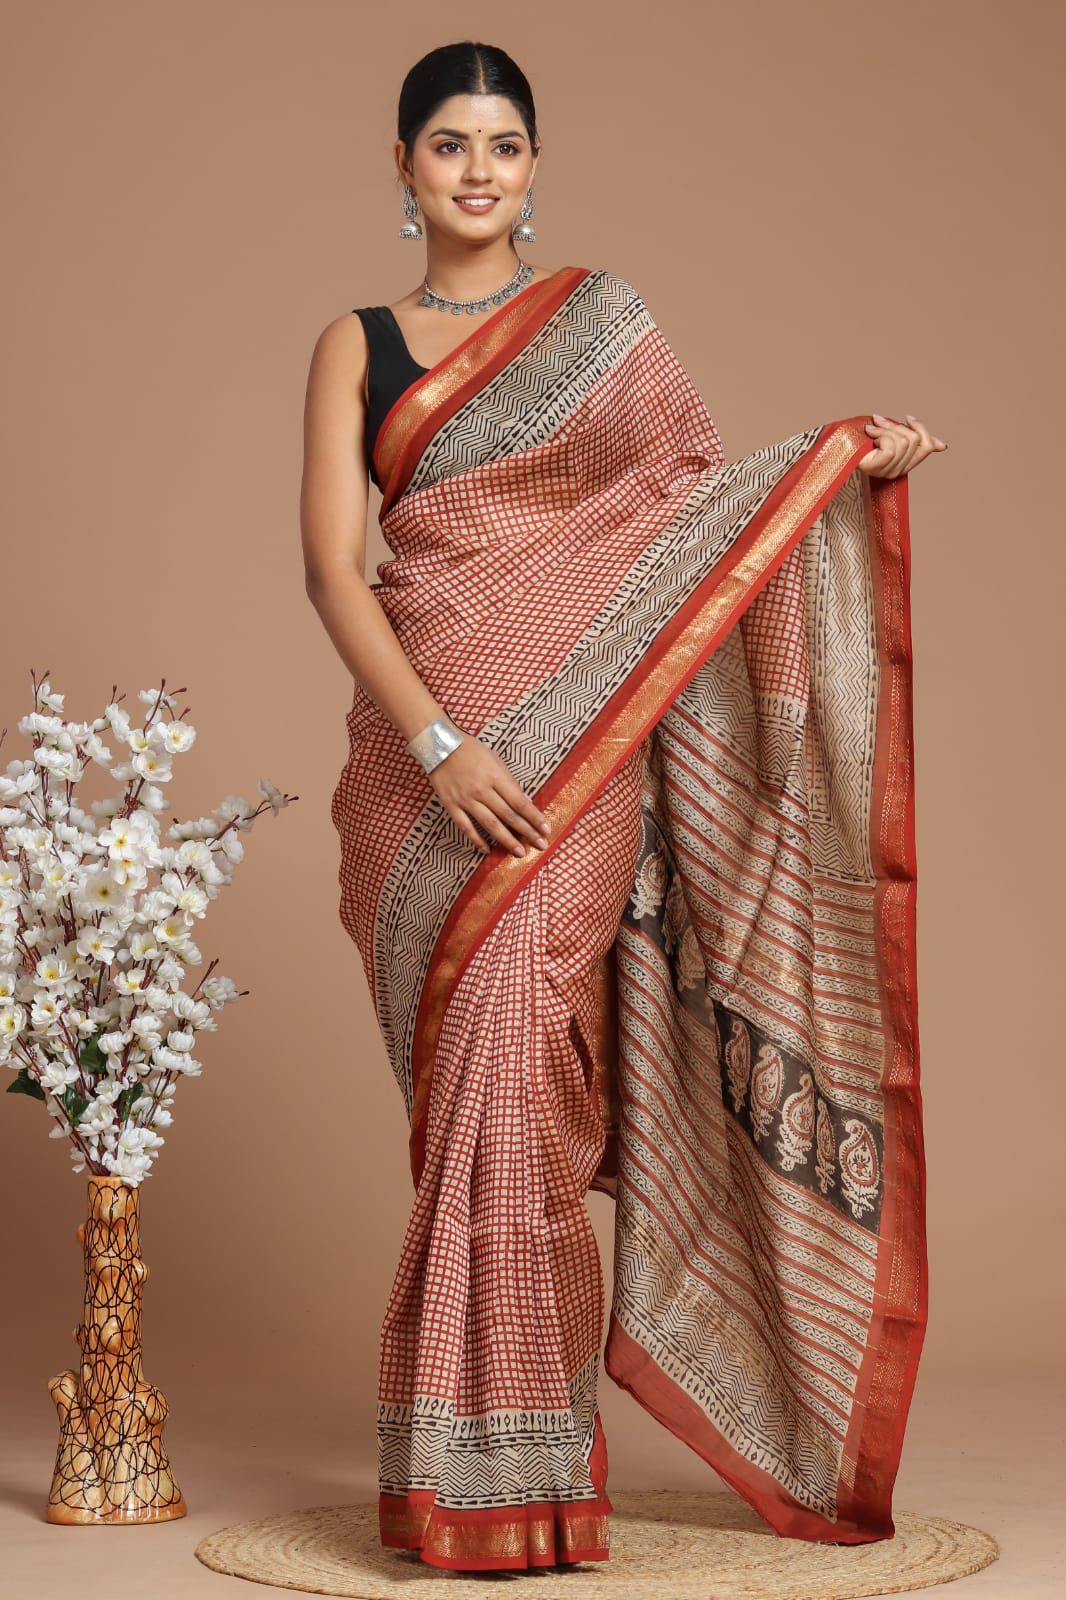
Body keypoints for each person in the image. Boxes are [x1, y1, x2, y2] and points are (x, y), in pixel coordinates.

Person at [301, 39, 945, 1575]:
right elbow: (333, 566)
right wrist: (447, 739)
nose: (475, 169)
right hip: (422, 769)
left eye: (502, 144)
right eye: (446, 145)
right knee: (471, 1083)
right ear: (402, 171)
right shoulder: (355, 343)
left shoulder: (605, 326)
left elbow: (690, 519)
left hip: (577, 764)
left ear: (534, 164)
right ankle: (469, 1475)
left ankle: (518, 1475)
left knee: (524, 1078)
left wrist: (838, 464)